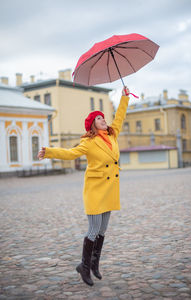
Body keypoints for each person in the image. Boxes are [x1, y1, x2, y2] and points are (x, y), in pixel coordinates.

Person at [37, 86, 130, 286]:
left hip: (110, 190)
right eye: (99, 118)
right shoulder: (89, 142)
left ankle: (94, 264)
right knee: (93, 229)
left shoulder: (112, 136)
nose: (104, 119)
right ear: (92, 125)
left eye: (104, 117)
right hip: (96, 191)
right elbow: (71, 153)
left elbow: (120, 117)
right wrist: (49, 152)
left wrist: (124, 98)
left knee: (103, 230)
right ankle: (84, 266)